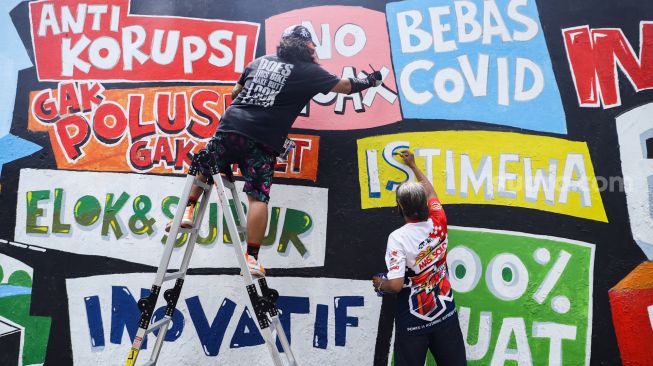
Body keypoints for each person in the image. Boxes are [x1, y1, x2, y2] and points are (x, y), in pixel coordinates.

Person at [168, 24, 383, 277]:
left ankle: (188, 211)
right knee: (258, 198)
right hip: (263, 138)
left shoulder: (258, 61)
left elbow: (236, 92)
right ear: (308, 47)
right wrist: (372, 80)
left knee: (205, 166)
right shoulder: (310, 71)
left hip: (231, 126)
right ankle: (251, 259)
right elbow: (345, 86)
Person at [372, 150, 467, 366]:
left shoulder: (398, 238)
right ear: (425, 205)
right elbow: (431, 191)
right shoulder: (439, 220)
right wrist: (414, 166)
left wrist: (380, 284)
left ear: (400, 208)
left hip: (413, 320)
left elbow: (395, 285)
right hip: (445, 315)